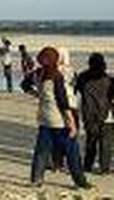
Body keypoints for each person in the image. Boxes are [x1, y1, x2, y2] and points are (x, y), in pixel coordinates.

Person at [29, 47, 91, 189]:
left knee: (41, 151)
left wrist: (37, 94)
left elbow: (25, 84)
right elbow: (62, 101)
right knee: (72, 152)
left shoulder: (38, 73)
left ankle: (36, 179)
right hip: (58, 120)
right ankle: (80, 181)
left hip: (44, 117)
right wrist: (71, 122)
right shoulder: (56, 76)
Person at [75, 52, 113, 174]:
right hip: (106, 114)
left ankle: (87, 166)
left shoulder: (82, 77)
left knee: (91, 141)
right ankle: (104, 168)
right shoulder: (109, 80)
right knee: (106, 143)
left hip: (89, 113)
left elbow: (78, 90)